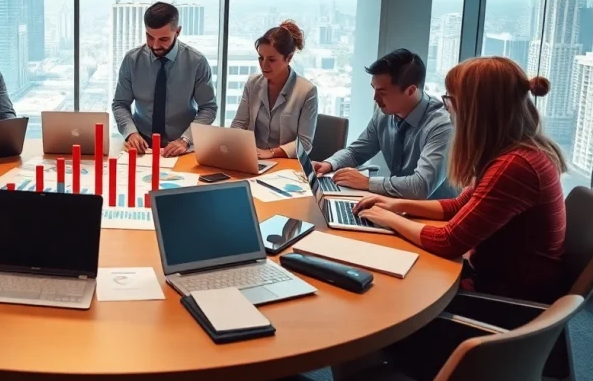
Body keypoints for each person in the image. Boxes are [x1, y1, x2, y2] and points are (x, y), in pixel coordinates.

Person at [354, 57, 566, 303]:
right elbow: (457, 206)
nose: (446, 108)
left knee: (387, 297)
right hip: (495, 280)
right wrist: (394, 204)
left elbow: (448, 242)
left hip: (506, 301)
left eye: (450, 100)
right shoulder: (512, 152)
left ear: (476, 109)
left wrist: (388, 218)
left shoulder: (514, 166)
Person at [312, 49, 454, 199]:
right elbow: (356, 152)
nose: (375, 98)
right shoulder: (385, 113)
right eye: (374, 89)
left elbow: (420, 187)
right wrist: (330, 164)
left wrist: (367, 183)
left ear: (410, 90)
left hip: (434, 215)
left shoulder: (442, 126)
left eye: (382, 92)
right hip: (396, 205)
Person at [112, 2, 217, 157]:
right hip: (142, 144)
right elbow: (120, 104)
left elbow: (208, 108)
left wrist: (186, 139)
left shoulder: (196, 62)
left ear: (178, 31)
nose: (155, 45)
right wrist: (131, 133)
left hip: (182, 146)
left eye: (163, 39)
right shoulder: (132, 60)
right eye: (149, 37)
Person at [230, 20, 317, 159]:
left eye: (271, 60)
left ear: (288, 58)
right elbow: (238, 124)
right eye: (261, 58)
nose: (264, 65)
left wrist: (271, 153)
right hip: (254, 158)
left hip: (286, 163)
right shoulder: (253, 83)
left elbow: (305, 143)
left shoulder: (307, 91)